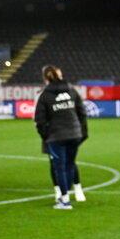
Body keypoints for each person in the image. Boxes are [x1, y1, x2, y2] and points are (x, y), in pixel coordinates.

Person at [34, 65, 86, 209]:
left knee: (59, 167)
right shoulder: (72, 90)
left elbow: (39, 120)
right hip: (74, 134)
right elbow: (82, 113)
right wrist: (79, 131)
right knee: (70, 164)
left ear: (45, 78)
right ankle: (70, 193)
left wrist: (46, 135)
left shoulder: (44, 95)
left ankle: (64, 199)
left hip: (56, 136)